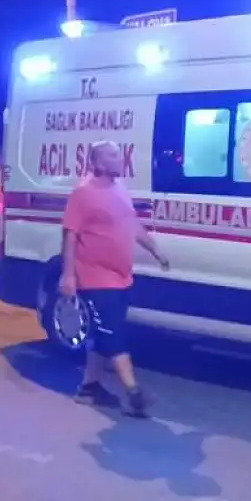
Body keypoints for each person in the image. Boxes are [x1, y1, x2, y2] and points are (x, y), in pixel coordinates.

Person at [60, 141, 169, 418]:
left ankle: (89, 388)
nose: (120, 159)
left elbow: (133, 225)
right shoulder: (83, 193)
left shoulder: (120, 188)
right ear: (97, 163)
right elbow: (70, 235)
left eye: (119, 154)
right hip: (95, 277)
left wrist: (155, 250)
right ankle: (134, 394)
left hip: (121, 278)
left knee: (102, 333)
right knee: (112, 335)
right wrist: (68, 274)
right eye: (112, 155)